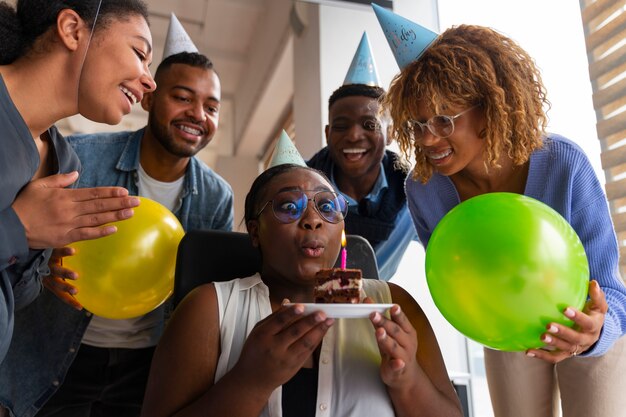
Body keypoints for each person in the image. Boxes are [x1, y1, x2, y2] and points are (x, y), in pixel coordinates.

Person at [378, 13, 626, 417]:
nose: (426, 138)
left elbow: (613, 294)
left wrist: (595, 332)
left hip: (584, 332)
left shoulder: (564, 164)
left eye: (444, 120)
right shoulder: (423, 190)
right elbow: (459, 278)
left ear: (490, 107)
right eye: (418, 123)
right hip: (505, 330)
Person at [0, 19, 234, 417]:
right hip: (59, 351)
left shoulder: (217, 197)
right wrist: (42, 266)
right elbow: (24, 250)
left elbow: (209, 298)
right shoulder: (78, 157)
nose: (198, 114)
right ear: (149, 100)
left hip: (146, 363)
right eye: (182, 97)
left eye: (211, 107)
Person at [141, 161, 462, 417]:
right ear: (255, 231)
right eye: (289, 207)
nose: (312, 219)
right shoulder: (209, 308)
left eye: (326, 206)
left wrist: (407, 381)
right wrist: (250, 382)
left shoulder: (391, 302)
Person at [0, 0, 156, 365]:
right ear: (72, 29)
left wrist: (42, 264)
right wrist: (17, 230)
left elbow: (14, 293)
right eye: (139, 53)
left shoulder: (63, 162)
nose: (150, 80)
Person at [307, 32, 417, 281]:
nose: (354, 136)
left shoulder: (413, 194)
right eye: (342, 126)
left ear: (390, 133)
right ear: (328, 133)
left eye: (369, 125)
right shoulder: (300, 189)